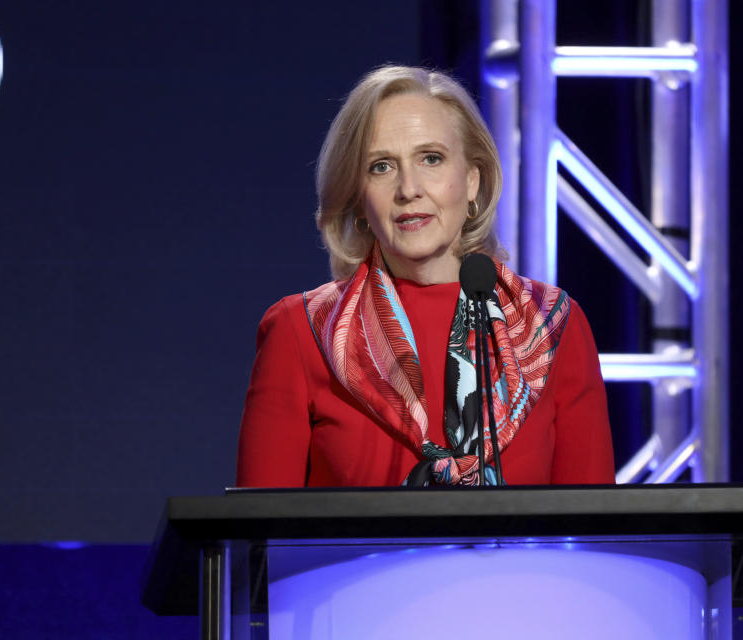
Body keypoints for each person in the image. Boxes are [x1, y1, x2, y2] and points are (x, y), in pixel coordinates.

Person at [236, 65, 613, 488]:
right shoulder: (302, 332)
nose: (408, 188)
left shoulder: (551, 325)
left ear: (472, 180)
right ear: (358, 198)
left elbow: (593, 534)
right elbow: (260, 541)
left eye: (431, 158)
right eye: (381, 166)